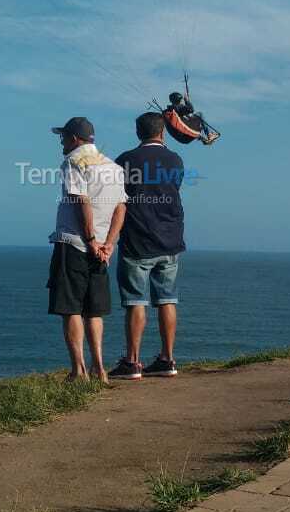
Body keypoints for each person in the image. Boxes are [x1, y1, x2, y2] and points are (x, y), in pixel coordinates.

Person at [47, 117, 126, 383]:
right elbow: (120, 208)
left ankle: (78, 371)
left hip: (74, 243)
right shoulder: (113, 167)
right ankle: (100, 369)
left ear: (75, 139)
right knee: (94, 310)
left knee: (70, 308)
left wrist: (91, 239)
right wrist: (109, 243)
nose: (61, 142)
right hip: (103, 249)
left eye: (63, 137)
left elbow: (82, 201)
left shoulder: (73, 162)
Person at [108, 112, 186, 379]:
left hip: (137, 239)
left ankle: (132, 362)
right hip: (170, 239)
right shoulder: (175, 160)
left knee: (135, 301)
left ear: (137, 132)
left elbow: (117, 197)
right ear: (162, 133)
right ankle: (168, 358)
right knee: (167, 300)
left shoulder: (126, 160)